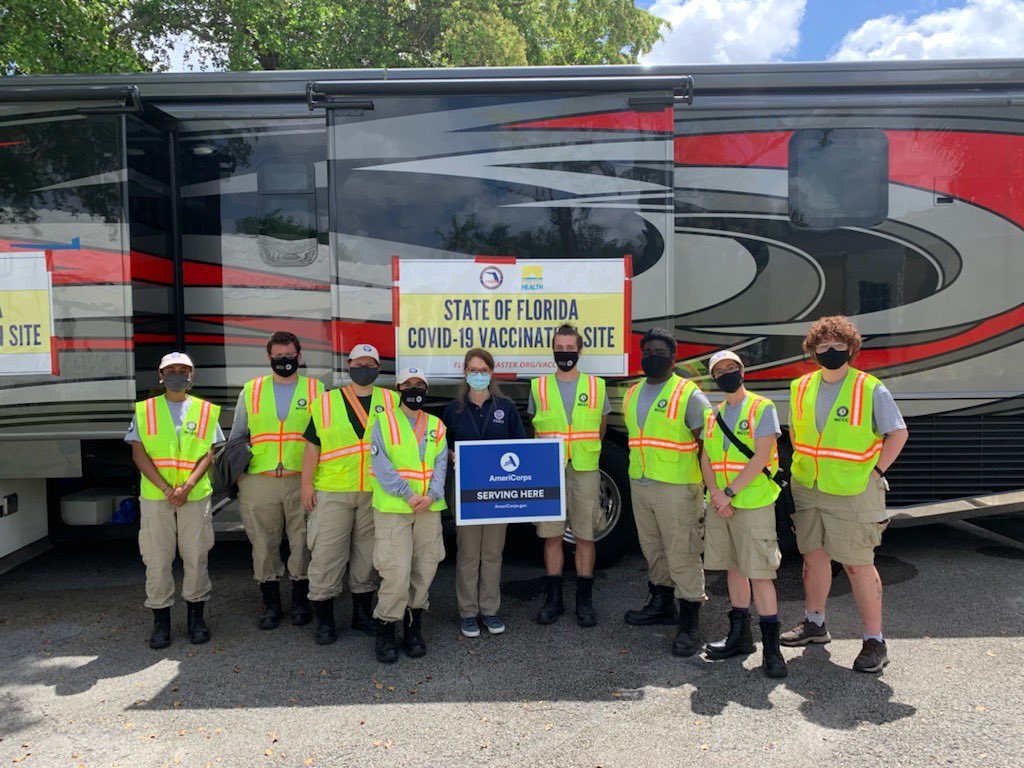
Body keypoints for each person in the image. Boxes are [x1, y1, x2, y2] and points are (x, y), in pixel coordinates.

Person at [781, 315, 908, 673]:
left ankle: (875, 642)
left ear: (851, 349)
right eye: (824, 347)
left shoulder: (870, 388)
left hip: (853, 490)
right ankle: (815, 623)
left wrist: (877, 472)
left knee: (857, 564)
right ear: (813, 351)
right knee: (814, 558)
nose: (831, 352)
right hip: (809, 487)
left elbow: (897, 433)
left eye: (839, 346)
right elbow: (797, 435)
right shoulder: (801, 387)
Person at [622, 328, 712, 656]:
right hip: (641, 482)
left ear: (673, 358)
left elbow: (709, 444)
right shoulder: (633, 393)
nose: (652, 357)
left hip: (678, 487)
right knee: (653, 548)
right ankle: (662, 603)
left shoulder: (688, 394)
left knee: (683, 552)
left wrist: (709, 488)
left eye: (660, 351)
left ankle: (690, 621)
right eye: (647, 352)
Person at [125, 352, 223, 649]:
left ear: (192, 376)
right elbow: (138, 453)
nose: (177, 375)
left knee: (196, 557)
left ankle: (196, 619)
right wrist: (168, 489)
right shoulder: (145, 410)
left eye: (183, 370)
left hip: (195, 495)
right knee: (157, 560)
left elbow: (210, 452)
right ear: (161, 375)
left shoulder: (206, 411)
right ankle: (161, 623)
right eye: (171, 370)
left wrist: (188, 485)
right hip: (157, 496)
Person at [300, 343, 396, 644]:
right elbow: (312, 445)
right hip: (332, 491)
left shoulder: (391, 400)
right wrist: (306, 485)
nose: (363, 369)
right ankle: (325, 622)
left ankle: (360, 615)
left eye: (370, 364)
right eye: (358, 363)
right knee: (326, 555)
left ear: (378, 369)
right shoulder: (326, 402)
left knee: (366, 556)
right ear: (349, 365)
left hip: (373, 492)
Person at [699, 350, 787, 678]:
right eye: (719, 370)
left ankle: (772, 651)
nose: (726, 374)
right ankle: (740, 637)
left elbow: (762, 456)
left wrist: (729, 492)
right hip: (723, 504)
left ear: (742, 371)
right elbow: (706, 459)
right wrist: (716, 496)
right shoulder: (712, 415)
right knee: (734, 568)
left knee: (760, 573)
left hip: (752, 502)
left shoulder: (761, 407)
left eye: (731, 368)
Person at [229, 331, 324, 630]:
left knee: (303, 541)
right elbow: (237, 436)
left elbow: (325, 436)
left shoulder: (316, 389)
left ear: (299, 354)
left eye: (290, 355)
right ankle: (270, 604)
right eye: (278, 356)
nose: (285, 361)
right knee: (263, 543)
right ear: (269, 357)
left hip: (302, 478)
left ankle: (300, 601)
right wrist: (239, 477)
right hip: (260, 480)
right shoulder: (252, 390)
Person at [526, 324, 610, 628]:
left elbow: (601, 429)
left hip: (584, 469)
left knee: (586, 535)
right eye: (559, 349)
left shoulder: (597, 386)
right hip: (549, 470)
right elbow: (536, 429)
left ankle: (584, 603)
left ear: (580, 350)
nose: (565, 354)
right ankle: (554, 600)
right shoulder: (539, 387)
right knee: (552, 535)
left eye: (569, 348)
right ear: (552, 350)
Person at [442, 348, 526, 638]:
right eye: (473, 370)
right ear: (465, 373)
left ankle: (489, 610)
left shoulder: (506, 407)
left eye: (483, 370)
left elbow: (520, 447)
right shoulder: (453, 409)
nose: (478, 375)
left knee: (492, 553)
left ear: (492, 372)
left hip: (497, 493)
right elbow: (441, 449)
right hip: (465, 492)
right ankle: (468, 612)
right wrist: (452, 453)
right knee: (467, 552)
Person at [369, 367, 448, 663]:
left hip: (428, 508)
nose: (414, 389)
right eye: (409, 384)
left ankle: (414, 628)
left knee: (424, 567)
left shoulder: (437, 426)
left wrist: (431, 495)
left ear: (426, 390)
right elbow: (382, 466)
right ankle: (386, 628)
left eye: (420, 385)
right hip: (394, 508)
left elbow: (440, 465)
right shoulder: (383, 422)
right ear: (399, 387)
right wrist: (409, 494)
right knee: (396, 570)